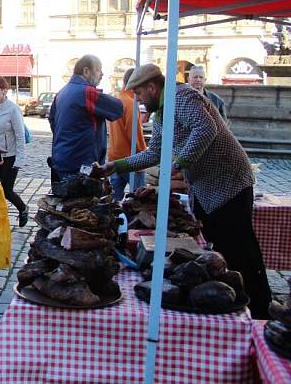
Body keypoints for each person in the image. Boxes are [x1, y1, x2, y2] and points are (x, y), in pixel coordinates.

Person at [98, 63, 271, 318]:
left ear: (152, 87)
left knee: (240, 249)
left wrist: (181, 163)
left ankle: (259, 310)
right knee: (219, 248)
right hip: (207, 187)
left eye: (140, 94)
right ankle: (229, 304)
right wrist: (117, 165)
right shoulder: (161, 114)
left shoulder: (182, 96)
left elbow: (206, 128)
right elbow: (155, 152)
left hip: (229, 182)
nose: (138, 100)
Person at [49, 54, 123, 179]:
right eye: (99, 69)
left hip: (61, 161)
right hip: (81, 165)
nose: (102, 74)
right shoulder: (87, 92)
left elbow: (52, 120)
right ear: (86, 71)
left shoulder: (62, 92)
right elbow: (118, 109)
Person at [0, 77, 28, 227]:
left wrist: (20, 160)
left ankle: (23, 208)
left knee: (6, 190)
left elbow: (20, 136)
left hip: (10, 156)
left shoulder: (13, 109)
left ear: (4, 91)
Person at [108, 68, 147, 200]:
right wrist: (144, 156)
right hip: (131, 160)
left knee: (113, 201)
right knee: (140, 200)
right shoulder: (130, 104)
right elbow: (135, 135)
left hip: (114, 157)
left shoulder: (118, 99)